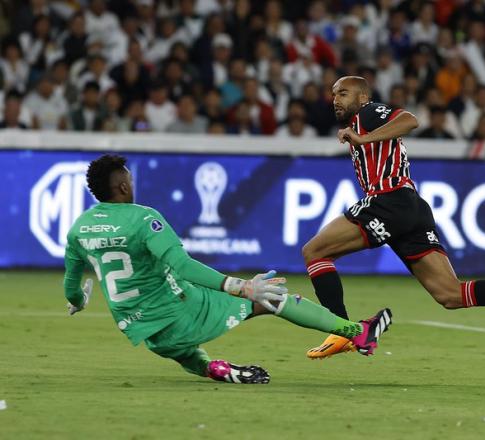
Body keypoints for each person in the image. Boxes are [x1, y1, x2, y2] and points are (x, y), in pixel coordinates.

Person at [303, 76, 485, 360]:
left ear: (362, 98)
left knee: (315, 252)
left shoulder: (368, 114)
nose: (336, 100)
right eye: (333, 95)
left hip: (389, 200)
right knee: (451, 295)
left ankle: (344, 330)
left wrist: (363, 138)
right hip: (411, 208)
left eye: (343, 94)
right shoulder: (358, 125)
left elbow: (410, 120)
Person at [63, 154, 391, 384]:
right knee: (274, 296)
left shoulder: (79, 228)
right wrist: (239, 286)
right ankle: (357, 333)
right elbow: (181, 265)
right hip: (180, 315)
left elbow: (71, 288)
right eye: (129, 181)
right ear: (123, 187)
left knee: (181, 344)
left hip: (146, 334)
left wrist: (78, 301)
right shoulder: (142, 217)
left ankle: (212, 369)